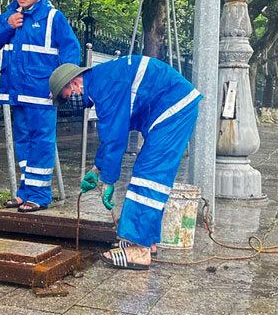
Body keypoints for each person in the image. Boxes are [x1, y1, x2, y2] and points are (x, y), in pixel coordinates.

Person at [49, 56, 202, 270]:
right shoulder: (101, 81)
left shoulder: (105, 87)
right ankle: (146, 239)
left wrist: (109, 181)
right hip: (169, 107)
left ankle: (139, 250)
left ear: (74, 83)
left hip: (173, 109)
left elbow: (115, 138)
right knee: (147, 173)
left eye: (65, 98)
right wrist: (97, 169)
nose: (70, 103)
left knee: (148, 177)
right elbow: (112, 134)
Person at [0, 0, 80, 212]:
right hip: (16, 92)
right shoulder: (10, 15)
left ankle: (41, 194)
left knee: (42, 142)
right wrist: (7, 25)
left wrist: (62, 84)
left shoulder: (53, 17)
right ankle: (26, 192)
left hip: (42, 93)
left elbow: (71, 51)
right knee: (23, 142)